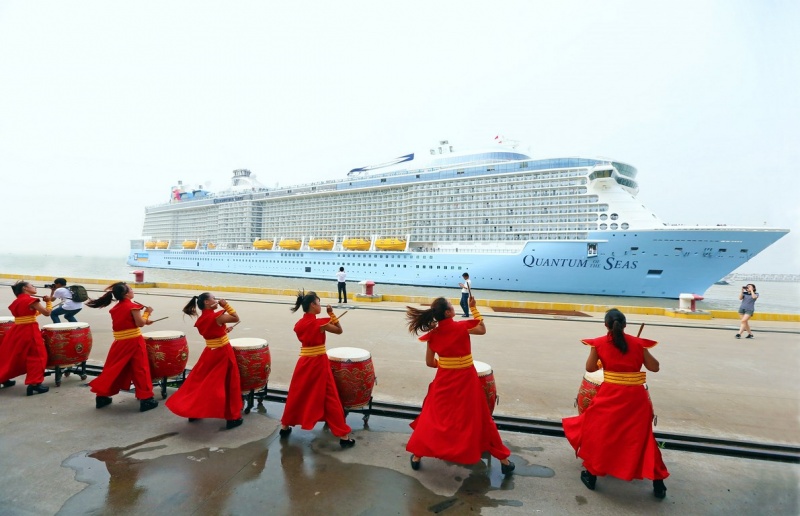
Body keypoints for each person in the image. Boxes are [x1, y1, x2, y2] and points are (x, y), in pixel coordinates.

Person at [562, 308, 669, 499]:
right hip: (636, 400)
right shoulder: (638, 343)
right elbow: (655, 367)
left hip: (610, 396)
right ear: (625, 324)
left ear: (606, 325)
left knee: (600, 434)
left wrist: (604, 363)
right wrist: (637, 352)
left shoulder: (599, 344)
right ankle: (659, 483)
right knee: (641, 439)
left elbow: (589, 367)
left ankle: (592, 475)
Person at [405, 295, 515, 475]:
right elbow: (482, 329)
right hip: (466, 381)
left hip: (444, 381)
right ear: (448, 312)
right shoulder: (461, 327)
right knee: (479, 418)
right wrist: (474, 308)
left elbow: (429, 363)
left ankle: (417, 455)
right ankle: (504, 460)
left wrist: (446, 365)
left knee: (432, 417)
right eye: (451, 305)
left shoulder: (433, 335)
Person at [279, 290, 356, 448]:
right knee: (329, 396)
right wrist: (332, 314)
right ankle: (343, 436)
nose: (320, 305)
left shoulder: (299, 324)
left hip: (303, 362)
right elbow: (339, 330)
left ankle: (285, 426)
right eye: (319, 303)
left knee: (297, 393)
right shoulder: (318, 323)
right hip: (318, 363)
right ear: (313, 305)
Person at [165, 293, 244, 429]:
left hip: (209, 351)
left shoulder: (202, 319)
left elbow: (212, 332)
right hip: (222, 352)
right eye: (214, 298)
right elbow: (236, 318)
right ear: (207, 302)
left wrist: (224, 330)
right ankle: (233, 417)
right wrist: (226, 305)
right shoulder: (216, 316)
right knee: (229, 382)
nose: (216, 300)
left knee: (199, 381)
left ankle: (193, 411)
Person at [85, 282, 159, 412]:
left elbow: (128, 322)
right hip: (134, 341)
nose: (132, 291)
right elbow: (139, 323)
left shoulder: (116, 308)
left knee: (113, 368)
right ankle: (146, 399)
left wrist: (146, 320)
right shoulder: (133, 306)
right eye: (130, 289)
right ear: (126, 294)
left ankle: (102, 396)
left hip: (119, 342)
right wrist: (147, 313)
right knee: (141, 369)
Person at [0, 281, 53, 395]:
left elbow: (27, 315)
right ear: (25, 288)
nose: (34, 287)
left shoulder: (16, 301)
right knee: (38, 356)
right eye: (32, 286)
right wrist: (48, 302)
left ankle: (3, 378)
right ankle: (35, 384)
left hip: (16, 330)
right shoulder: (31, 300)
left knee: (11, 356)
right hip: (29, 330)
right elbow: (47, 313)